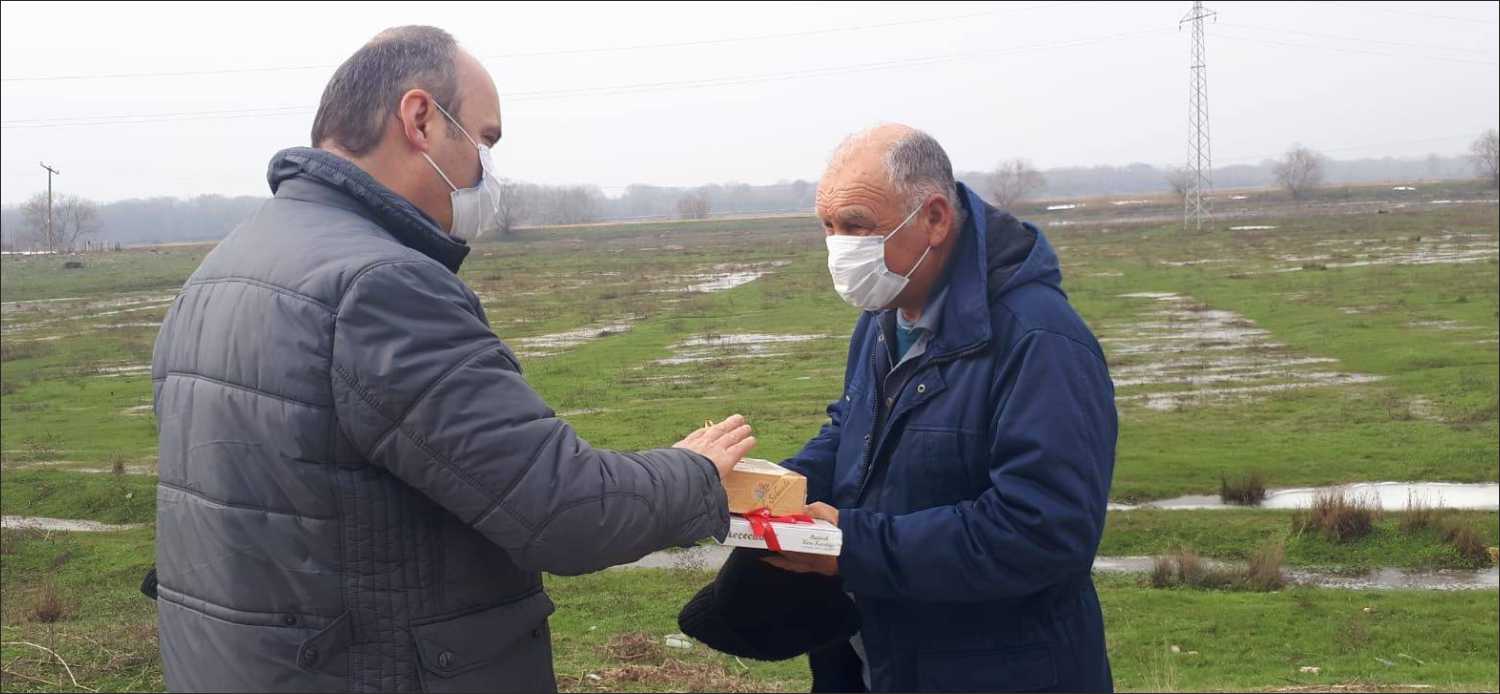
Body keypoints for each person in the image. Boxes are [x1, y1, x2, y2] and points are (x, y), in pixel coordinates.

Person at [148, 26, 754, 692]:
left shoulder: (224, 266)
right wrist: (694, 472)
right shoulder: (381, 286)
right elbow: (567, 511)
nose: (486, 170)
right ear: (420, 120)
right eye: (485, 140)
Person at [766, 124, 1117, 692]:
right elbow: (853, 430)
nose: (838, 249)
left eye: (856, 226)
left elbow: (1044, 531)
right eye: (827, 227)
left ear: (933, 218)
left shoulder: (1040, 341)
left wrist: (852, 545)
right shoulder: (884, 314)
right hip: (879, 658)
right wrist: (777, 488)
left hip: (1000, 672)